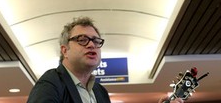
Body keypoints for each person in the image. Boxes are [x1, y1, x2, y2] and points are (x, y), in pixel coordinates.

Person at [27, 16, 183, 103]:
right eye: (82, 39)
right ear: (65, 50)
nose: (91, 45)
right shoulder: (51, 83)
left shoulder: (100, 92)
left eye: (96, 41)